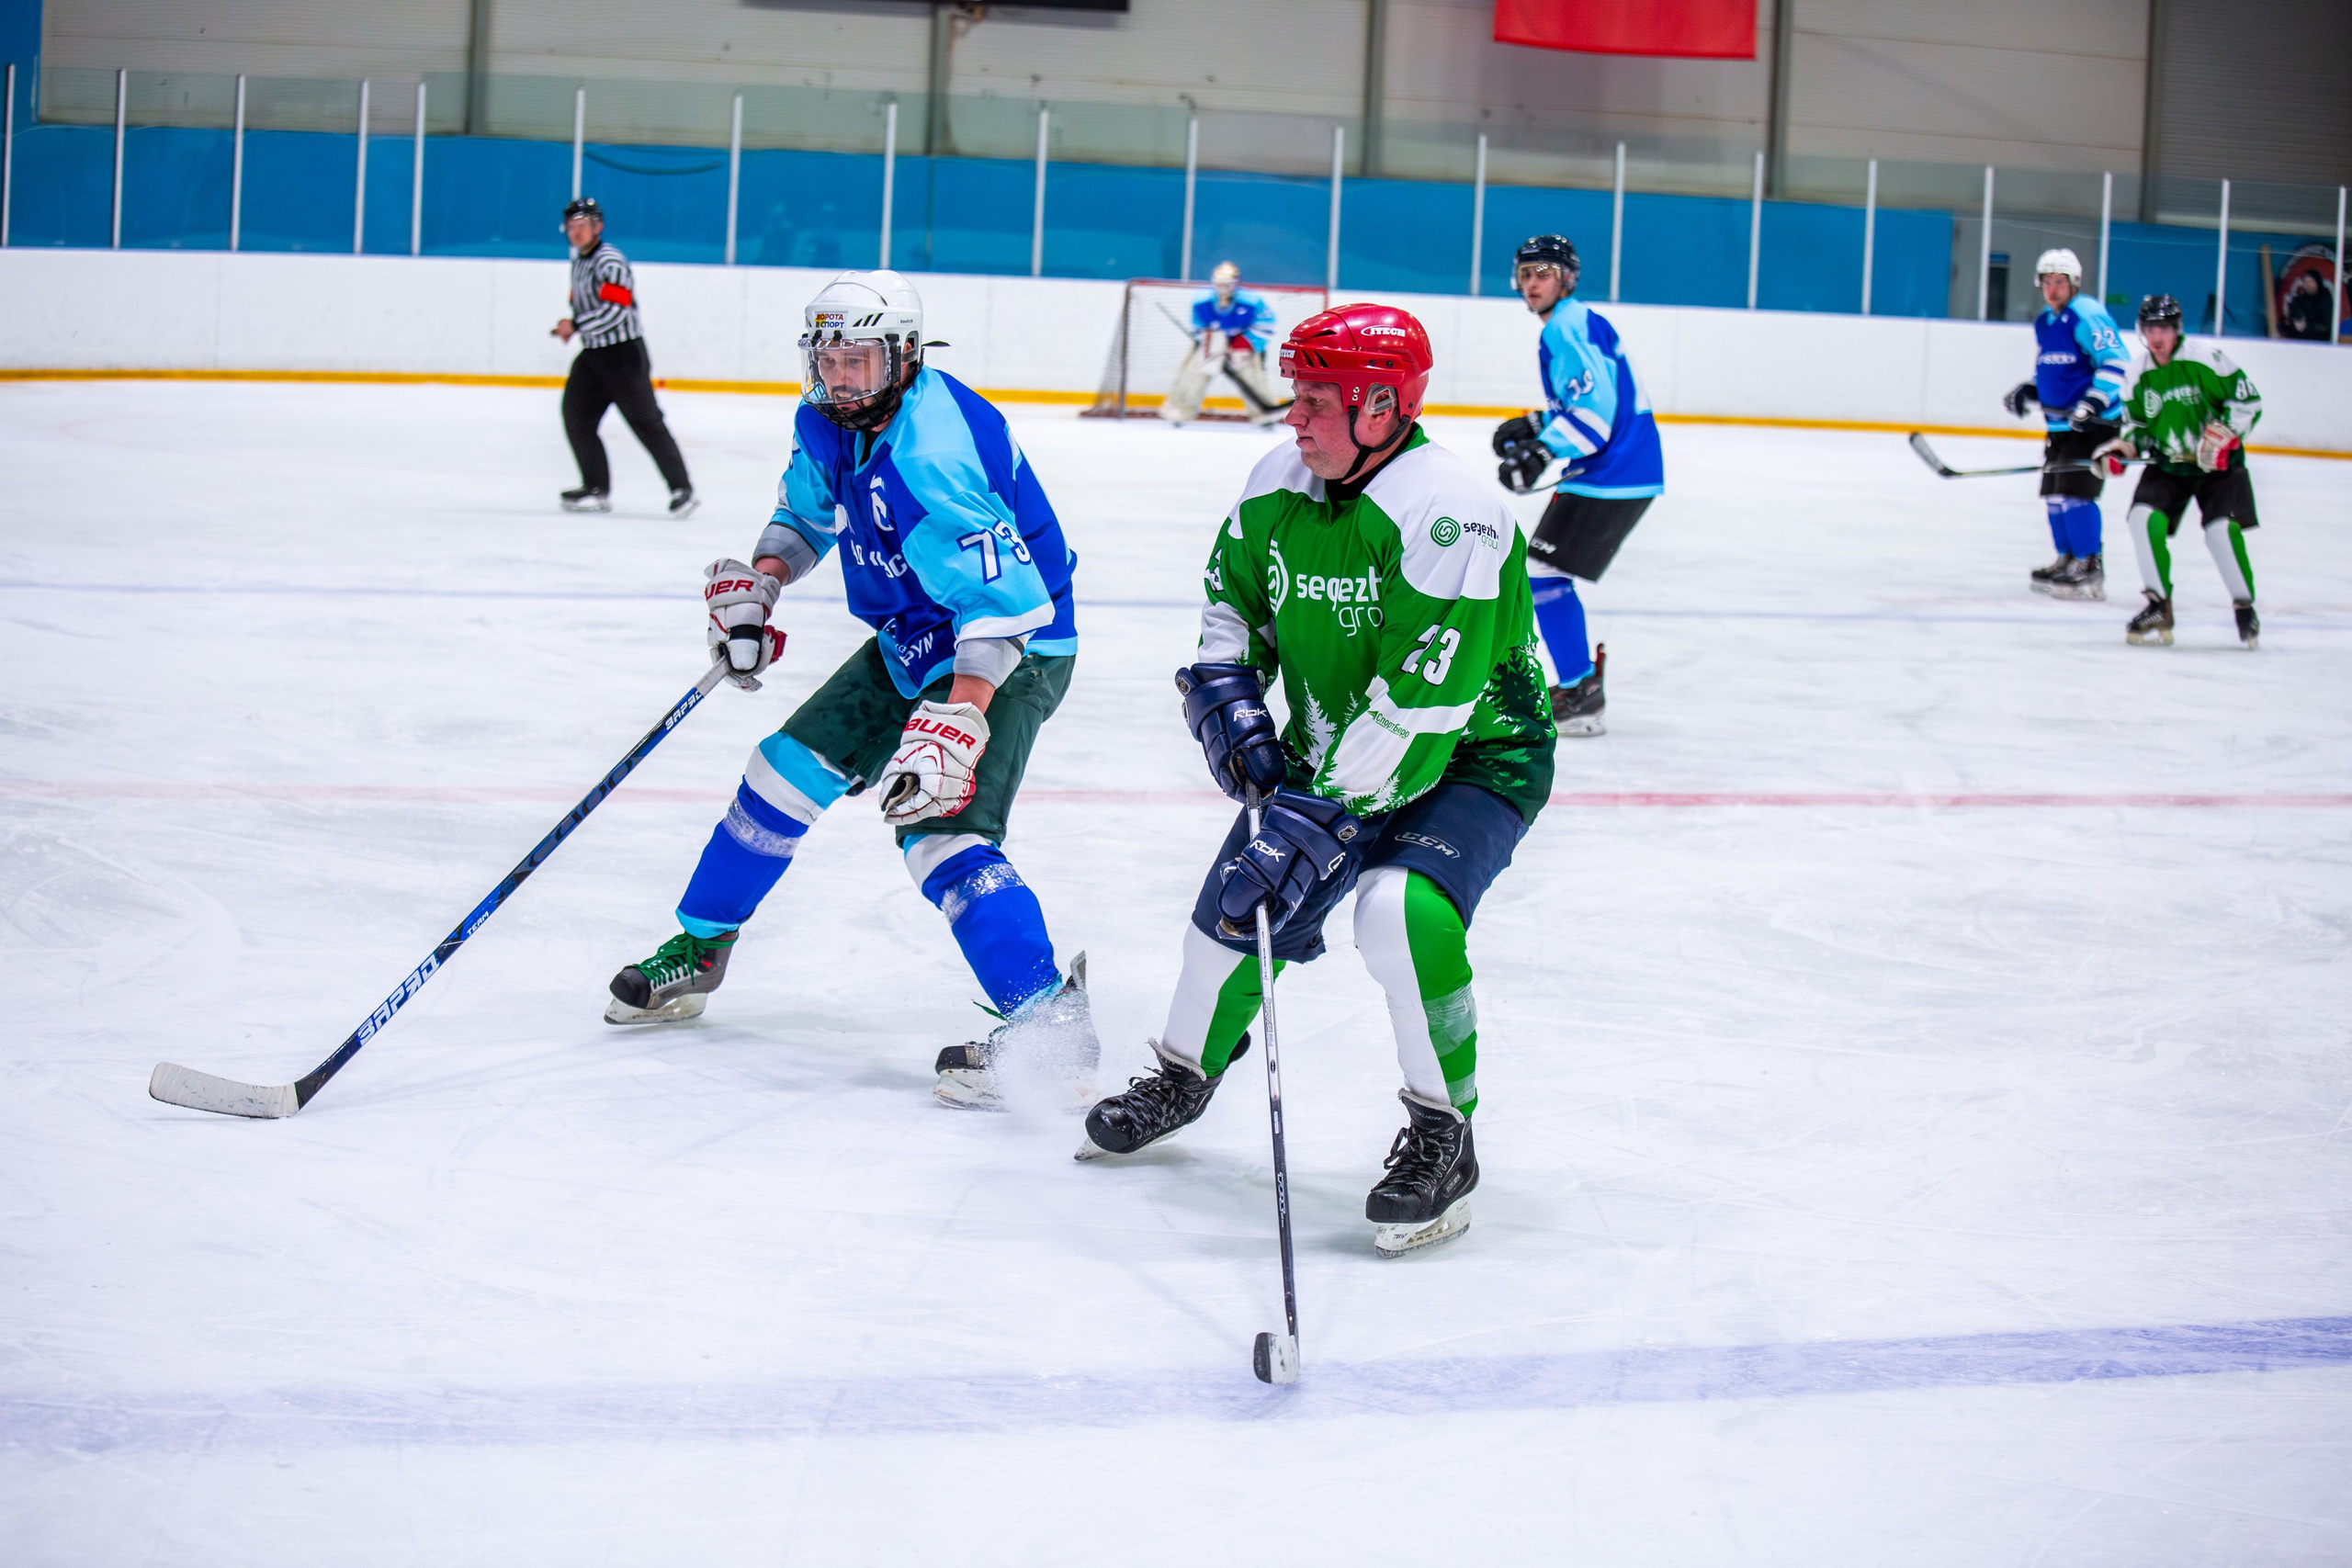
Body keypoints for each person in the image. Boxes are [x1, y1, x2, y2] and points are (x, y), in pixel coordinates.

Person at [1077, 303, 1555, 1259]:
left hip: (1470, 753)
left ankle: (1443, 1134)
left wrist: (1315, 819)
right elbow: (1234, 601)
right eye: (1295, 396)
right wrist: (1228, 694)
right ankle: (1183, 1074)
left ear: (1381, 406)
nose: (1292, 417)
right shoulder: (1278, 479)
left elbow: (1422, 705)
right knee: (1233, 912)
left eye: (1316, 402)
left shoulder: (1450, 513)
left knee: (1397, 913)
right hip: (1336, 742)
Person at [604, 269, 1094, 1110]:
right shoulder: (827, 422)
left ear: (903, 357)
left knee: (940, 835)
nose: (838, 377)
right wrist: (762, 585)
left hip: (1010, 648)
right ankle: (701, 950)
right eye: (827, 358)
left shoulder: (934, 453)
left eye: (857, 360)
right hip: (913, 636)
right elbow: (805, 516)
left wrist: (959, 719)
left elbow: (1007, 606)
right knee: (778, 774)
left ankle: (1051, 1023)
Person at [1490, 234, 1664, 737]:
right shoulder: (1577, 322)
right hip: (1617, 469)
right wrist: (1537, 423)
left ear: (1567, 278)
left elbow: (1595, 415)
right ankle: (1578, 685)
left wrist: (1543, 449)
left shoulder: (1566, 327)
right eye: (1525, 274)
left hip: (1615, 472)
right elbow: (1586, 401)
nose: (1531, 284)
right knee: (1543, 572)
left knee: (1542, 573)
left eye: (1542, 273)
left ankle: (1580, 692)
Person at [2102, 293, 2266, 649]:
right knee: (2142, 519)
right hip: (2170, 465)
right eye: (2150, 329)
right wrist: (2122, 449)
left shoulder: (2207, 359)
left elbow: (2248, 402)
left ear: (2177, 329)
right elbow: (2137, 426)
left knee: (2220, 533)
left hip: (2219, 467)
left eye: (2163, 329)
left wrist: (2226, 434)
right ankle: (2159, 606)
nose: (2156, 337)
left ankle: (2244, 607)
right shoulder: (2138, 373)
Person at [551, 197, 697, 516]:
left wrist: (576, 325)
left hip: (622, 356)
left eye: (582, 225)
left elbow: (617, 309)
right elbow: (592, 306)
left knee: (646, 422)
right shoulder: (579, 261)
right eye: (571, 226)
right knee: (576, 416)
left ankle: (682, 489)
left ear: (598, 226)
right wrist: (575, 324)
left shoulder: (610, 261)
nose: (576, 232)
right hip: (593, 355)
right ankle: (595, 488)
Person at [2000, 248, 2128, 600]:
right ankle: (2067, 558)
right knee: (2055, 496)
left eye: (2059, 281)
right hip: (2059, 425)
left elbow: (2116, 362)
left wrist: (2092, 403)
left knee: (2077, 495)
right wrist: (2029, 389)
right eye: (2046, 281)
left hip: (2092, 425)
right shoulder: (2045, 320)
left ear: (2074, 283)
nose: (2052, 288)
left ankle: (2089, 563)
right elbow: (2055, 367)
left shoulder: (2088, 314)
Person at [1161, 261, 1287, 426]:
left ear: (1236, 283)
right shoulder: (1202, 299)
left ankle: (1262, 412)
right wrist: (1212, 342)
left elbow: (1267, 324)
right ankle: (1180, 409)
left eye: (1227, 284)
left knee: (1249, 374)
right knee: (1195, 371)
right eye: (1220, 283)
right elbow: (1197, 325)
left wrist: (1246, 341)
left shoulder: (1251, 300)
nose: (1223, 288)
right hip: (1213, 341)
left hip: (1242, 341)